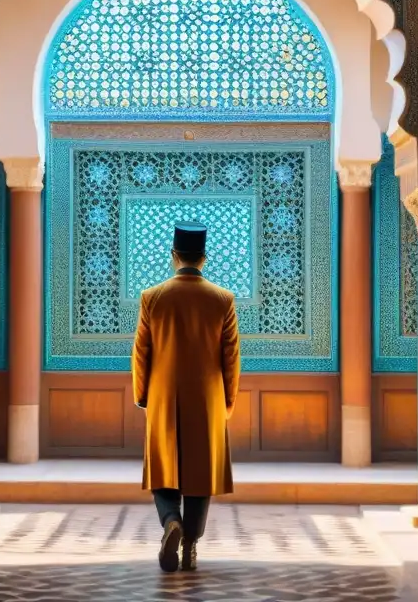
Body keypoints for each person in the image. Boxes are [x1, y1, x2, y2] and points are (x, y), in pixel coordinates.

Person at [131, 221, 241, 573]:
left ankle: (170, 523)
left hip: (163, 396)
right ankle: (191, 545)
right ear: (204, 259)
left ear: (174, 256)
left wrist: (142, 395)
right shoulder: (223, 299)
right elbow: (231, 359)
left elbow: (141, 353)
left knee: (164, 470)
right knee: (199, 474)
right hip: (208, 400)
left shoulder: (152, 297)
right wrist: (227, 403)